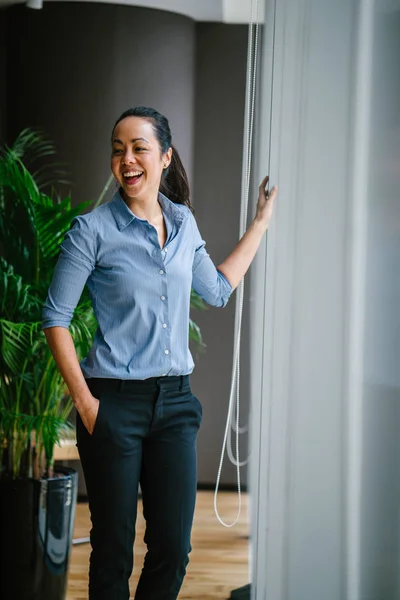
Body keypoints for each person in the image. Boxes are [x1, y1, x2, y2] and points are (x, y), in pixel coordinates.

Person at [42, 106, 277, 600]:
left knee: (173, 548)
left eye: (139, 147)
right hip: (113, 405)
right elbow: (55, 318)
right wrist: (87, 405)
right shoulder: (92, 231)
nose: (126, 159)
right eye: (117, 148)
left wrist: (260, 223)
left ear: (165, 157)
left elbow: (215, 290)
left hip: (175, 405)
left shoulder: (183, 221)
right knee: (113, 549)